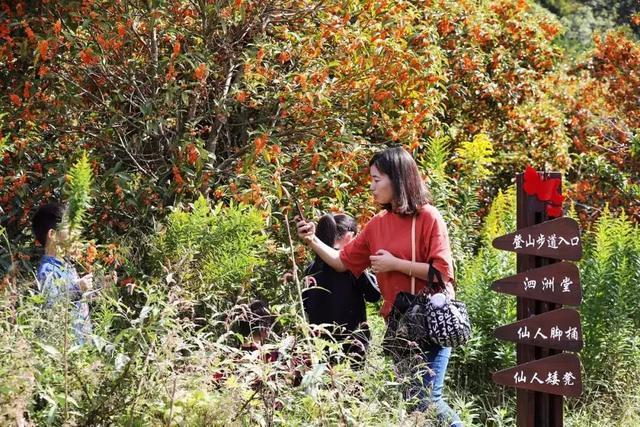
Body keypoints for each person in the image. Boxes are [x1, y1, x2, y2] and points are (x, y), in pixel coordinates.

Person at [296, 146, 462, 427]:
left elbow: (441, 273)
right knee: (412, 405)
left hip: (431, 320)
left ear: (398, 179)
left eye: (376, 179)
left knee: (428, 401)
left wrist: (396, 264)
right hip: (399, 325)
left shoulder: (429, 217)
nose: (371, 187)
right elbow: (341, 262)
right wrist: (312, 240)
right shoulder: (377, 224)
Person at [302, 212, 380, 367]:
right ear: (350, 236)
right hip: (352, 342)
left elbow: (306, 305)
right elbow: (374, 295)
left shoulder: (311, 268)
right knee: (353, 387)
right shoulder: (351, 266)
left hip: (320, 342)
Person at [32, 202, 93, 344]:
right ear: (52, 234)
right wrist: (78, 288)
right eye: (68, 228)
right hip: (64, 348)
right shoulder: (47, 270)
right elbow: (52, 304)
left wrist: (100, 286)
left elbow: (77, 299)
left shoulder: (67, 265)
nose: (75, 233)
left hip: (79, 345)